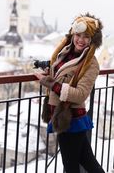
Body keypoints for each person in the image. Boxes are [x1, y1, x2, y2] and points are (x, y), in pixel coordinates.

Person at [35, 13, 105, 173]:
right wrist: (51, 73)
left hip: (71, 118)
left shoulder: (91, 63)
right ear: (73, 34)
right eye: (78, 35)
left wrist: (51, 83)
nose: (80, 40)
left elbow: (80, 94)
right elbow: (63, 74)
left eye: (86, 37)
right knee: (87, 161)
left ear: (92, 40)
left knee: (71, 166)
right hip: (63, 114)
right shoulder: (66, 52)